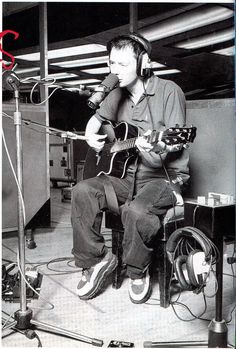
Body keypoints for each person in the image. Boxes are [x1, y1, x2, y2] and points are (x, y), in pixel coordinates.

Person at [71, 33, 190, 304]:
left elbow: (174, 146)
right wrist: (92, 135)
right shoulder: (116, 92)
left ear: (143, 61)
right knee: (82, 191)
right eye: (112, 63)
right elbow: (96, 121)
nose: (115, 71)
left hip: (163, 178)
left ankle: (137, 271)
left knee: (136, 211)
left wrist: (158, 147)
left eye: (123, 65)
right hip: (125, 175)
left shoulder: (169, 91)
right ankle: (96, 260)